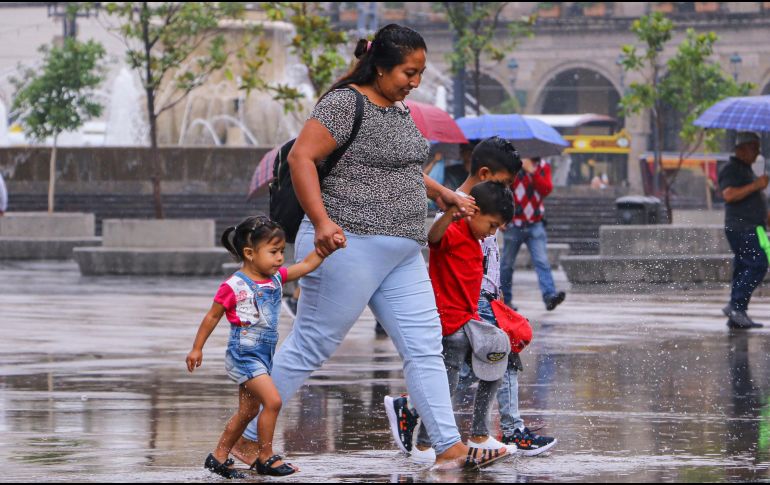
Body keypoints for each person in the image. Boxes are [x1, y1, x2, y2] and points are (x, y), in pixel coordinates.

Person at [231, 24, 504, 471]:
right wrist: (321, 222)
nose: (415, 82)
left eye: (420, 73)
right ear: (380, 68)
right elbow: (302, 158)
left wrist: (441, 193)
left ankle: (448, 446)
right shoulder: (345, 103)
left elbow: (397, 169)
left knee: (424, 347)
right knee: (312, 344)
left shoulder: (397, 111)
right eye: (408, 73)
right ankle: (242, 436)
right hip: (347, 242)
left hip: (402, 251)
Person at [386, 137, 556, 459]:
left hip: (482, 298)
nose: (506, 191)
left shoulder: (484, 213)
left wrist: (497, 292)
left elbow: (487, 256)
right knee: (478, 362)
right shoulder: (459, 211)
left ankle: (422, 411)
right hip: (463, 304)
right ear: (484, 173)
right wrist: (451, 213)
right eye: (503, 183)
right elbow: (434, 238)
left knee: (484, 361)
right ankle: (499, 430)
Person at [186, 216, 329, 478]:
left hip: (263, 356)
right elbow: (212, 316)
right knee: (272, 401)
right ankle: (265, 455)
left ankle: (217, 457)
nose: (279, 259)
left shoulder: (275, 279)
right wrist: (197, 348)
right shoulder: (235, 285)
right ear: (250, 253)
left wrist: (324, 250)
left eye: (282, 252)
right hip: (244, 356)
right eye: (273, 252)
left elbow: (306, 265)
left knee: (248, 411)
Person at [409, 180, 514, 463]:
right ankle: (424, 443)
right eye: (491, 225)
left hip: (469, 318)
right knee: (447, 382)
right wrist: (449, 214)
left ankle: (479, 433)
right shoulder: (453, 230)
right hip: (448, 321)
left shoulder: (477, 240)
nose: (491, 233)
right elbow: (433, 238)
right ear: (473, 212)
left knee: (499, 352)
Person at [500, 157, 566, 311]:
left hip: (535, 223)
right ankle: (505, 300)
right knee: (507, 264)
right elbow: (506, 188)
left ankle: (549, 296)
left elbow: (546, 189)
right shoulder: (513, 164)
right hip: (514, 223)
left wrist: (533, 172)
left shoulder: (543, 167)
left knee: (542, 261)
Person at [719, 132, 769, 329]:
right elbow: (729, 195)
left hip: (752, 226)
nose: (757, 153)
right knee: (757, 264)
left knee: (743, 267)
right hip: (741, 227)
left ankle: (737, 313)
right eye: (754, 148)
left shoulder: (747, 170)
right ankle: (735, 306)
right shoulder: (731, 169)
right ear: (741, 149)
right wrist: (756, 185)